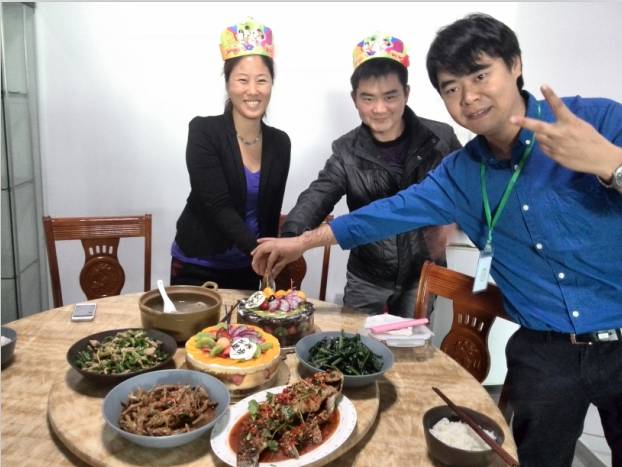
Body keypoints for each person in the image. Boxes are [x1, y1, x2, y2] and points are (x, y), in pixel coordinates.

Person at [251, 13, 622, 467]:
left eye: (480, 75)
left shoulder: (597, 121)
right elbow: (385, 213)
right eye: (451, 87)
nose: (468, 97)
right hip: (542, 352)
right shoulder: (459, 172)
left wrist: (612, 165)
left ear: (516, 64)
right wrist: (301, 241)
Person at [280, 32, 461, 316]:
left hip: (423, 274)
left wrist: (453, 222)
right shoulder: (346, 150)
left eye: (390, 96)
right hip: (367, 276)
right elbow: (318, 195)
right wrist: (291, 236)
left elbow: (468, 190)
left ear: (406, 93)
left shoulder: (441, 138)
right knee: (352, 341)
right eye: (368, 98)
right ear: (355, 99)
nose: (379, 109)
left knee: (411, 343)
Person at [170, 18, 290, 290]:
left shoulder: (280, 143)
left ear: (271, 84)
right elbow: (218, 205)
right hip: (197, 264)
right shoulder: (203, 131)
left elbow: (270, 212)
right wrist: (261, 252)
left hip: (248, 267)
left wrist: (269, 263)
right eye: (242, 80)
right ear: (228, 83)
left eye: (262, 80)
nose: (253, 90)